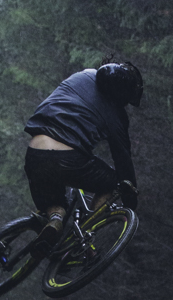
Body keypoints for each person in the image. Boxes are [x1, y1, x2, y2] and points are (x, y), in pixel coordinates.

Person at [24, 62, 143, 255]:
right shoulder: (116, 115)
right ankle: (82, 238)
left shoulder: (83, 75)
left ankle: (55, 219)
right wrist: (130, 200)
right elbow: (123, 160)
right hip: (68, 159)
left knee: (56, 207)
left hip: (35, 152)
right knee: (113, 183)